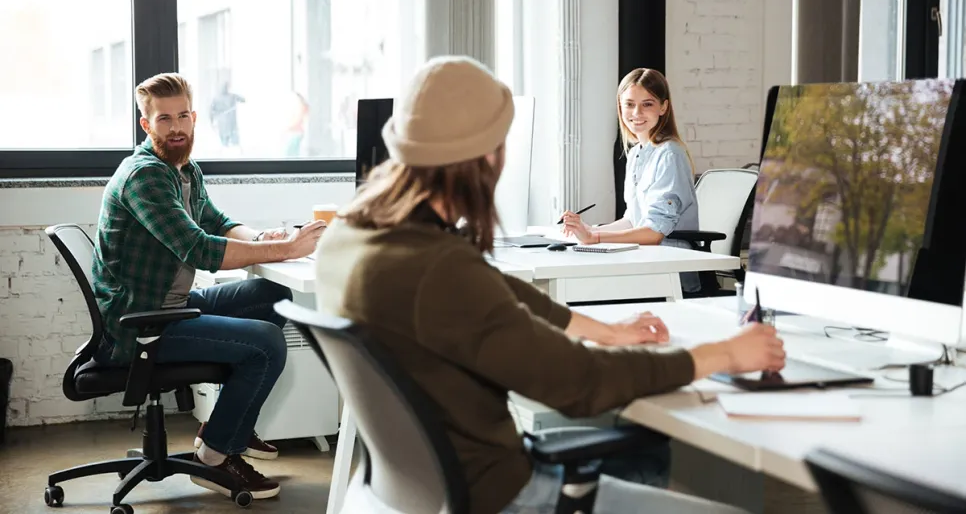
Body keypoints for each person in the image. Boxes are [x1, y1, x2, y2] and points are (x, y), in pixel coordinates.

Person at [312, 56, 785, 514]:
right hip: (501, 495)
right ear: (488, 156)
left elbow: (496, 290)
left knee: (641, 450)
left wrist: (609, 331)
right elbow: (582, 383)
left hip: (406, 492)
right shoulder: (442, 270)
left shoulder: (349, 236)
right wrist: (722, 355)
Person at [91, 73, 326, 500]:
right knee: (267, 342)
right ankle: (215, 458)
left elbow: (217, 223)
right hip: (141, 322)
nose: (176, 127)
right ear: (147, 126)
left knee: (272, 297)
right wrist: (287, 249)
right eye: (164, 119)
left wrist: (262, 239)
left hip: (169, 303)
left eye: (183, 116)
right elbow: (199, 248)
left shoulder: (183, 169)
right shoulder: (146, 176)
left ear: (195, 117)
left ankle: (222, 430)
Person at [561, 68, 702, 293]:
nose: (636, 113)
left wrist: (595, 237)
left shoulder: (670, 154)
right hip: (642, 263)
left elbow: (654, 233)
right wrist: (588, 229)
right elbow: (633, 220)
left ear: (663, 107)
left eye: (647, 104)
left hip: (667, 273)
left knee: (579, 292)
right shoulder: (636, 154)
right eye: (629, 104)